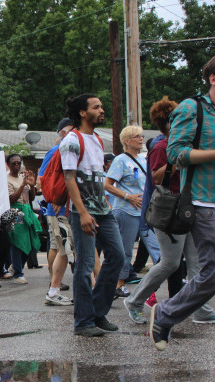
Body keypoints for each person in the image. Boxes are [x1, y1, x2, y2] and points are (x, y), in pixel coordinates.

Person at [125, 96, 215, 325]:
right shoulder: (162, 146)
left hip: (189, 206)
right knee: (170, 263)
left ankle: (201, 309)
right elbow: (155, 177)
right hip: (168, 211)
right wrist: (184, 159)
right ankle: (135, 300)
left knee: (197, 263)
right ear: (169, 122)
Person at [150, 56, 215, 350]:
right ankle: (165, 313)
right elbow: (177, 152)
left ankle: (166, 314)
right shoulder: (193, 108)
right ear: (213, 78)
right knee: (211, 271)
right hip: (203, 202)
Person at [61, 94, 124, 336]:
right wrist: (84, 213)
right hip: (83, 212)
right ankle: (83, 322)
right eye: (96, 107)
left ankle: (97, 312)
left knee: (117, 256)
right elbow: (69, 179)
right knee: (86, 265)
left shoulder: (97, 139)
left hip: (103, 210)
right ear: (82, 113)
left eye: (101, 106)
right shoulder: (72, 141)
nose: (101, 110)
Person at [104, 125, 161, 299]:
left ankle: (154, 285)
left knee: (157, 249)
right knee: (125, 250)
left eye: (141, 136)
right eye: (137, 136)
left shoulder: (145, 159)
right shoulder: (120, 160)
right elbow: (107, 185)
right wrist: (128, 196)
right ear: (127, 141)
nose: (141, 139)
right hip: (126, 211)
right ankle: (118, 284)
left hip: (145, 213)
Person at [38, 118, 75, 306]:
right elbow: (42, 178)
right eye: (71, 130)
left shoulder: (75, 147)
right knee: (57, 246)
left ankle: (55, 286)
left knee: (61, 247)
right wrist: (53, 200)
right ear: (62, 132)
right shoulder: (55, 151)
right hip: (57, 207)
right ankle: (54, 283)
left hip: (71, 206)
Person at [6, 153, 41, 285]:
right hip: (15, 211)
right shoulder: (7, 179)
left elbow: (31, 198)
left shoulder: (23, 177)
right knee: (18, 242)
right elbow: (11, 199)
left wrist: (31, 186)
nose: (16, 165)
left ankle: (16, 265)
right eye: (14, 163)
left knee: (33, 243)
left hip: (27, 210)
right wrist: (22, 185)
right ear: (8, 165)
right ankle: (18, 273)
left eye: (18, 163)